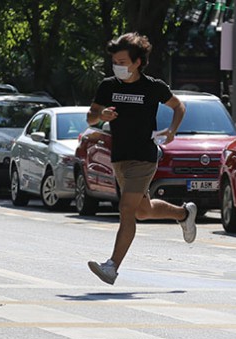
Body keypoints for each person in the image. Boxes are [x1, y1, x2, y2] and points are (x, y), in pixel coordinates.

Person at [86, 32, 197, 285]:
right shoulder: (108, 86)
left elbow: (179, 106)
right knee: (143, 211)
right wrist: (101, 115)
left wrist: (172, 130)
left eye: (123, 62)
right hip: (120, 158)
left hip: (144, 157)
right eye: (115, 62)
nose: (118, 67)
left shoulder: (153, 87)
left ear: (137, 62)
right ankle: (183, 214)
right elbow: (90, 117)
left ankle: (112, 266)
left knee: (126, 209)